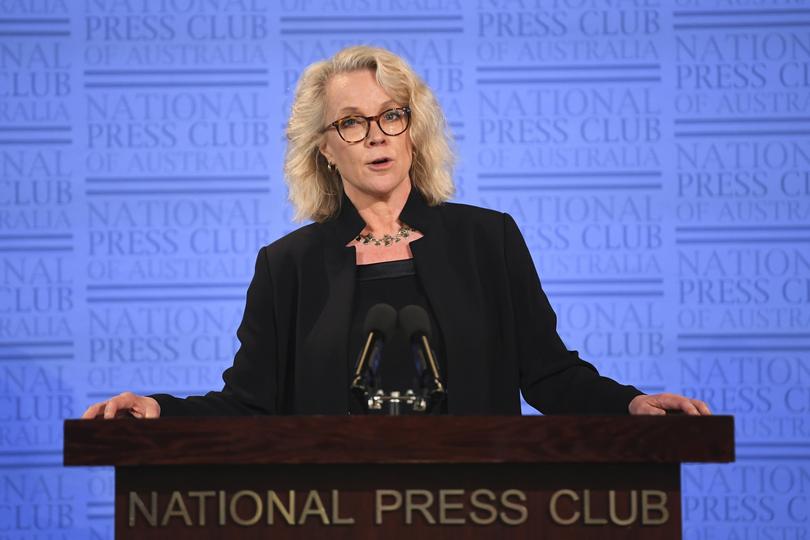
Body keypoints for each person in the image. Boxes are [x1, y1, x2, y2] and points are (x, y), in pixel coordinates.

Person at [82, 46, 710, 420]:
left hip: (480, 505)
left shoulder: (486, 239)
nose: (376, 134)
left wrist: (630, 404)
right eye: (351, 122)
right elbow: (250, 403)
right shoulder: (289, 265)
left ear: (414, 128)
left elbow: (546, 372)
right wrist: (160, 409)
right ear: (325, 148)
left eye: (390, 115)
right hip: (335, 511)